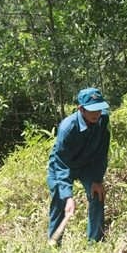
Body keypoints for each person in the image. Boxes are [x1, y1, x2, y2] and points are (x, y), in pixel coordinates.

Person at [47, 87, 111, 244]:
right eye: (92, 110)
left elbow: (102, 152)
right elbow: (61, 164)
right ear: (81, 109)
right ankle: (54, 244)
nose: (96, 114)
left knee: (97, 194)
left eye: (99, 109)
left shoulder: (103, 120)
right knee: (60, 202)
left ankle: (95, 242)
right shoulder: (67, 128)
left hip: (87, 165)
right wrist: (68, 196)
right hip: (63, 165)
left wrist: (97, 179)